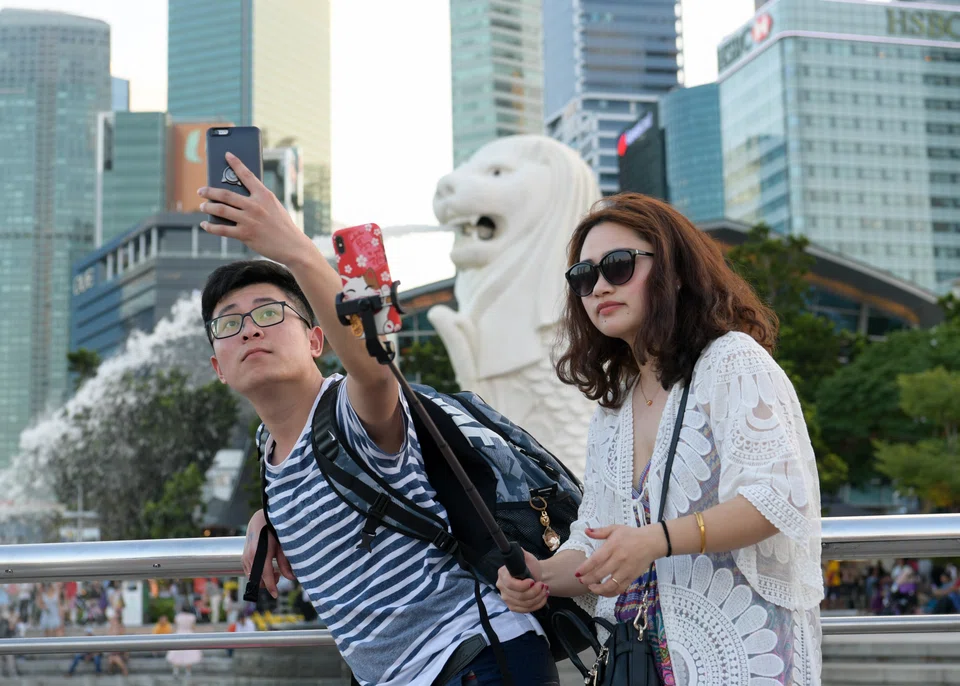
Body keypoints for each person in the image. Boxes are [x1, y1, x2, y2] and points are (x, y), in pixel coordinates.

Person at [198, 153, 556, 685]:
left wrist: (293, 247)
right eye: (229, 324)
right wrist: (265, 517)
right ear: (218, 367)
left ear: (317, 339)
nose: (250, 330)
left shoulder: (348, 406)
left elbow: (373, 369)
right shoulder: (267, 450)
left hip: (474, 658)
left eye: (270, 313)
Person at [496, 193, 823, 685]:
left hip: (743, 655)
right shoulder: (615, 405)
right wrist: (538, 575)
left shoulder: (732, 361)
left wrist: (654, 541)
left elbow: (775, 499)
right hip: (643, 662)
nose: (599, 286)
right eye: (583, 277)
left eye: (618, 266)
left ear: (673, 271)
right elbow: (594, 537)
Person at [166, 602, 203, 678]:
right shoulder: (192, 617)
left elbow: (176, 626)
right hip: (189, 634)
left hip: (179, 634)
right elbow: (193, 627)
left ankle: (176, 670)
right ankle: (188, 672)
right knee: (189, 653)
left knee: (177, 652)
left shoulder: (177, 617)